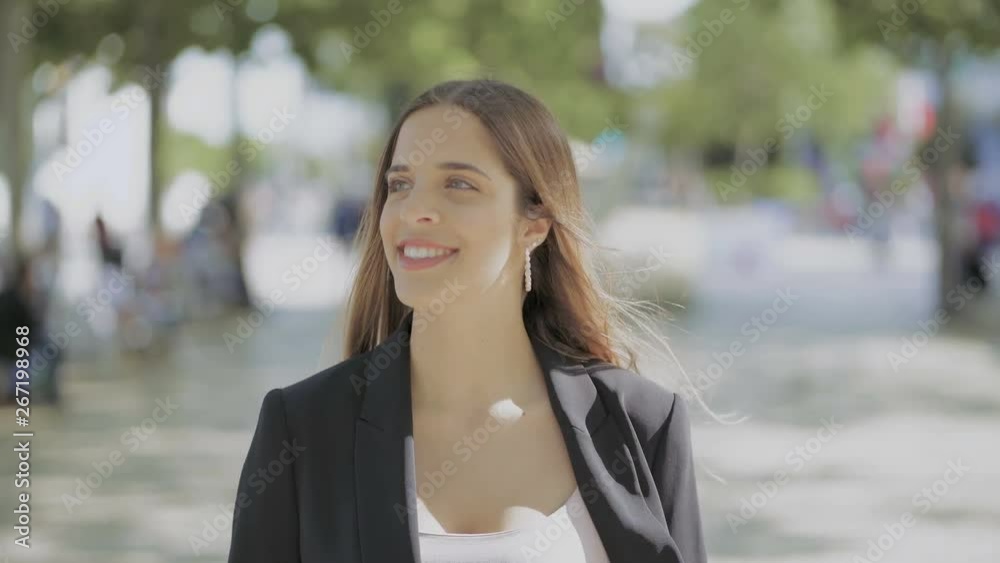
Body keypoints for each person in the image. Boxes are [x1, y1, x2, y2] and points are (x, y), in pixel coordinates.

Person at [227, 79, 707, 563]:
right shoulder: (302, 429)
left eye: (459, 184)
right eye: (400, 184)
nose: (415, 210)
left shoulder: (643, 423)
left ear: (535, 223)